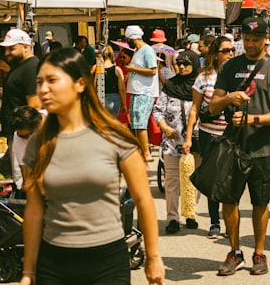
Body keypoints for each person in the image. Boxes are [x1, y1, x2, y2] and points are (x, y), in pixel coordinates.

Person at [20, 49, 164, 285]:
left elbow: (143, 200)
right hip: (53, 263)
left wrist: (153, 257)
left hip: (107, 263)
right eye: (39, 82)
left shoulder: (114, 136)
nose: (43, 89)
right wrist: (28, 271)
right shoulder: (39, 141)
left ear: (80, 84)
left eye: (52, 80)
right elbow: (34, 210)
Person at [208, 17, 270, 277]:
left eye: (255, 40)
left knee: (260, 203)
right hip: (234, 147)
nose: (250, 44)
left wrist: (253, 119)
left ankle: (259, 252)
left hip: (264, 148)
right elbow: (212, 106)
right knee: (229, 201)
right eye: (246, 40)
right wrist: (228, 98)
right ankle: (235, 252)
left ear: (266, 38)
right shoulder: (230, 66)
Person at [183, 36, 235, 239]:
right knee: (213, 178)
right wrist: (188, 137)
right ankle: (215, 221)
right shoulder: (204, 78)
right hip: (208, 133)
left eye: (232, 50)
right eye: (225, 50)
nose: (230, 53)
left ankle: (231, 221)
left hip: (231, 133)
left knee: (231, 179)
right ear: (215, 54)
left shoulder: (237, 75)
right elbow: (194, 109)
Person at [152, 49, 200, 234]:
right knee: (171, 181)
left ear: (194, 65)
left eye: (186, 64)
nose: (181, 66)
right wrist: (164, 127)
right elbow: (157, 111)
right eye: (179, 63)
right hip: (171, 143)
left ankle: (191, 214)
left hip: (194, 142)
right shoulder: (170, 86)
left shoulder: (199, 86)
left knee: (193, 179)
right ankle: (172, 218)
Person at [0, 28, 42, 142]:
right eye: (6, 49)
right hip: (17, 134)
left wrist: (24, 134)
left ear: (26, 47)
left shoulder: (31, 68)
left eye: (11, 49)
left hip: (24, 136)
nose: (6, 53)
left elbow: (35, 106)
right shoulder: (20, 66)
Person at [123, 25, 159, 162]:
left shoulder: (147, 50)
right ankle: (141, 150)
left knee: (140, 123)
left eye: (127, 39)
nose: (127, 42)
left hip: (144, 92)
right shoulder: (138, 51)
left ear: (132, 37)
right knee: (136, 123)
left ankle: (146, 152)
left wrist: (133, 69)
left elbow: (153, 70)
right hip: (136, 90)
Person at [10, 105, 43, 193]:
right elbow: (25, 169)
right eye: (22, 136)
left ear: (39, 124)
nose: (25, 139)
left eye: (28, 136)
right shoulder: (18, 136)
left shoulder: (58, 123)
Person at [99, 45, 128, 118]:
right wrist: (124, 104)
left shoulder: (96, 69)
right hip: (113, 99)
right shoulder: (117, 70)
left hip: (99, 98)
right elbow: (121, 89)